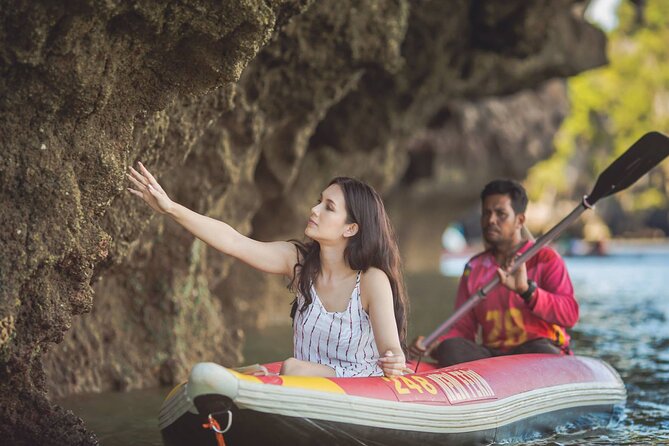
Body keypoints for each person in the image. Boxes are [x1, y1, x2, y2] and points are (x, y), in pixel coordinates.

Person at [127, 162, 408, 377]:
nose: (314, 209)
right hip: (304, 381)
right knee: (243, 372)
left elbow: (391, 353)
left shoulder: (372, 280)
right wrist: (170, 208)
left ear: (351, 228)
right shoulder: (298, 262)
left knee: (292, 368)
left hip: (358, 382)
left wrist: (395, 360)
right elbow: (233, 241)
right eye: (318, 201)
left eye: (328, 207)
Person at [409, 179, 579, 367]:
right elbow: (463, 328)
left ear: (519, 221)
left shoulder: (546, 259)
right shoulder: (474, 268)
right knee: (451, 348)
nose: (491, 220)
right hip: (494, 356)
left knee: (542, 352)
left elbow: (570, 315)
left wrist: (527, 291)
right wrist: (435, 344)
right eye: (486, 213)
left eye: (501, 214)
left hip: (538, 349)